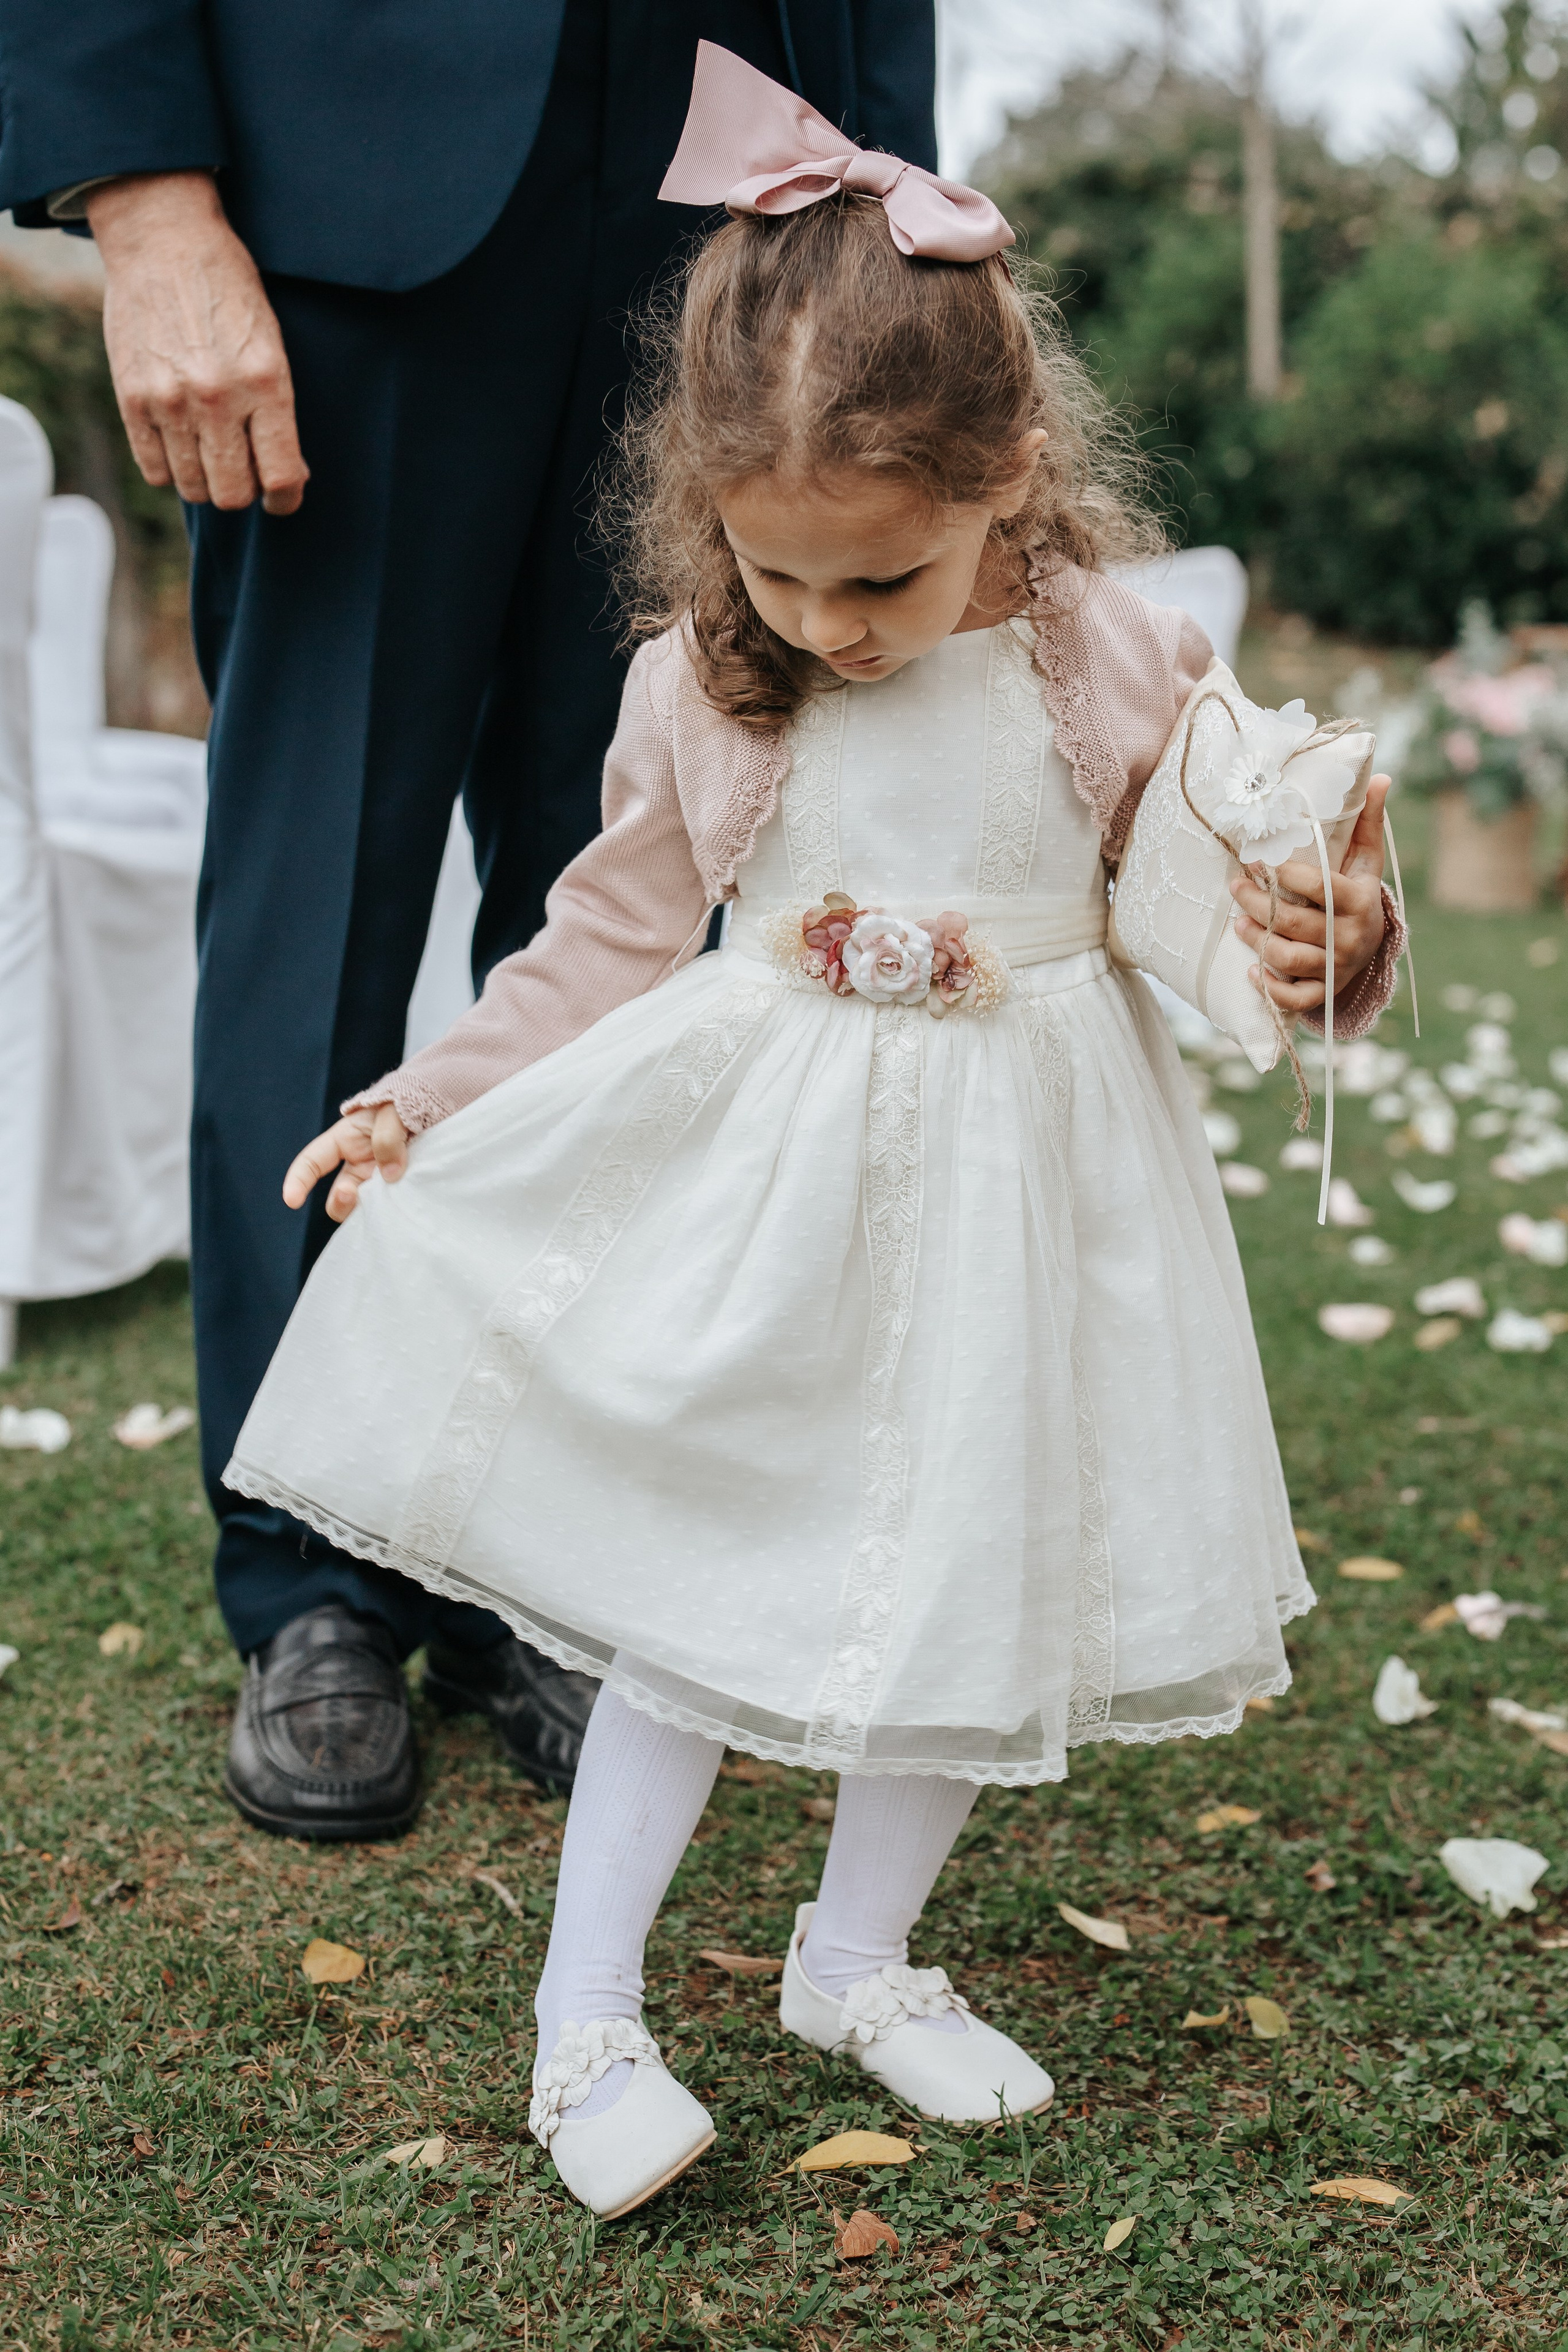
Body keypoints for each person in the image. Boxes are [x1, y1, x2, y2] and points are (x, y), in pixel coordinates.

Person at [222, 45, 1405, 2218]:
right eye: (782, 582)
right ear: (711, 517)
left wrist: (1327, 940)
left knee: (969, 1574)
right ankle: (592, 2017)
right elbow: (601, 936)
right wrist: (431, 1096)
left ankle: (855, 1958)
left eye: (882, 582)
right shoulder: (707, 674)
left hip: (1033, 1201)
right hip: (776, 1198)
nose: (831, 632)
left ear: (1012, 474)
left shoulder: (1115, 660)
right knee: (698, 1603)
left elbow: (1212, 919)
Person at [0, 2, 937, 1838]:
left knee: (655, 911)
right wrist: (147, 201)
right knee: (315, 895)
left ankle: (544, 1548)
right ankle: (312, 1570)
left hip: (736, 198)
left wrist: (884, 200)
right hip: (353, 187)